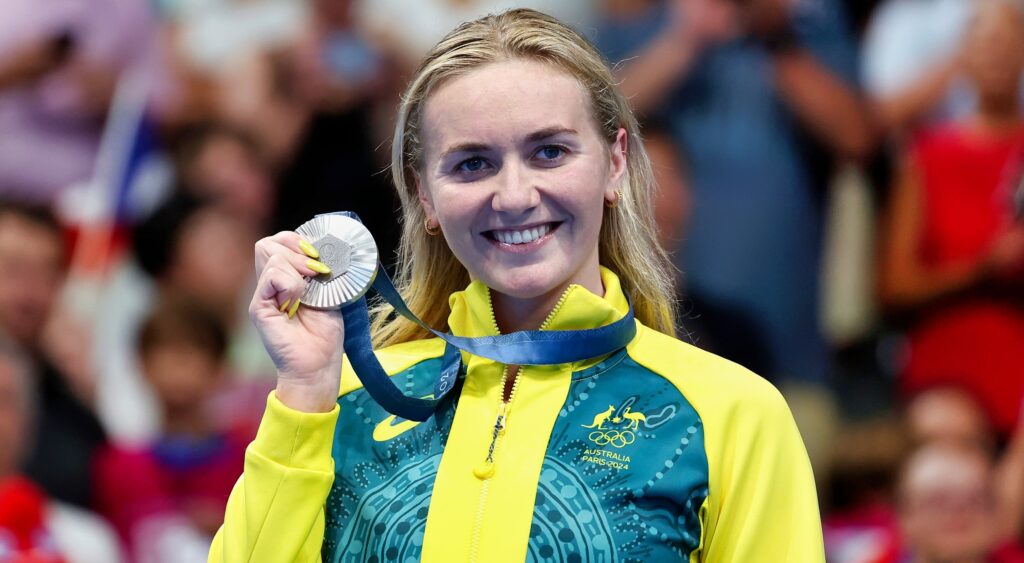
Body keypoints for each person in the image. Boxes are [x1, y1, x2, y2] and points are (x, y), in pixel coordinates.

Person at [210, 9, 822, 562]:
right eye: (472, 163)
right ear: (424, 193)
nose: (514, 196)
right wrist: (304, 392)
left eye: (550, 152)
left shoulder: (732, 412)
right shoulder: (339, 400)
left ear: (613, 163)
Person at [877, 0, 1024, 436]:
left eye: (1007, 38)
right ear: (962, 55)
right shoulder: (927, 158)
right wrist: (980, 270)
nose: (996, 51)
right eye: (983, 39)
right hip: (952, 373)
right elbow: (895, 285)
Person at [94, 298, 246, 562]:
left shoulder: (249, 459)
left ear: (221, 368)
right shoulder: (115, 466)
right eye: (165, 352)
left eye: (193, 352)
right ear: (141, 365)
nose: (178, 367)